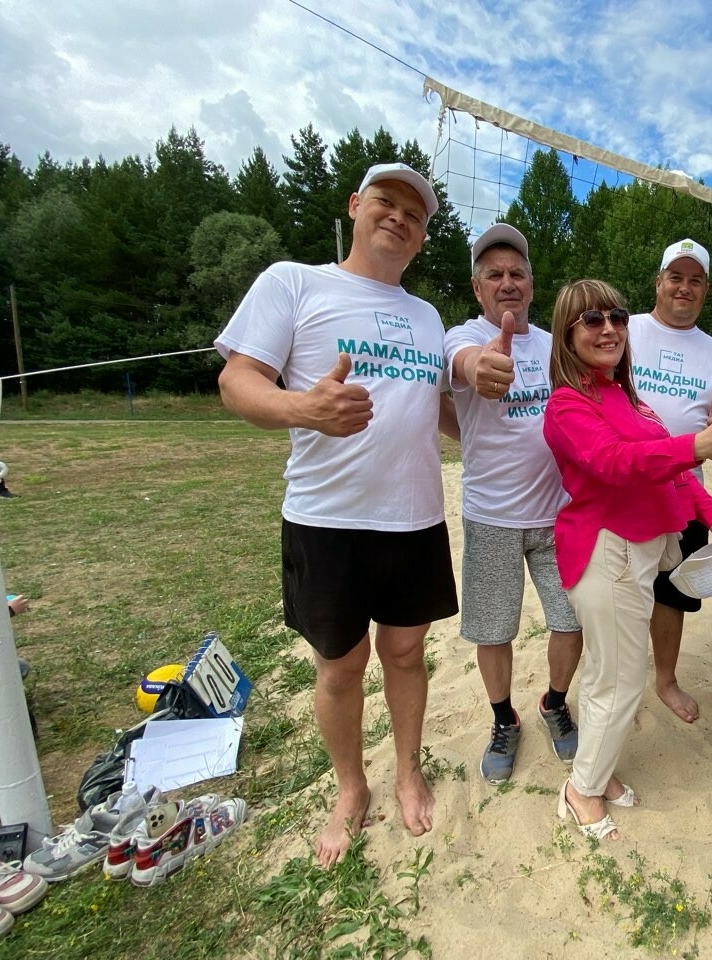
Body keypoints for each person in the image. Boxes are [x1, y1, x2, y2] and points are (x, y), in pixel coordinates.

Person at [216, 162, 459, 867]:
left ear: (421, 239)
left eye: (414, 215)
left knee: (407, 653)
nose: (399, 217)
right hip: (328, 520)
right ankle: (351, 789)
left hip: (415, 517)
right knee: (340, 666)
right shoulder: (293, 281)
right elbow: (237, 380)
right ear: (356, 206)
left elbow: (435, 410)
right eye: (386, 202)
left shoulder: (427, 317)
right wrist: (304, 408)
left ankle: (407, 769)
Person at [543, 279, 712, 841]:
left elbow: (669, 467)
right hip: (608, 550)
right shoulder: (566, 403)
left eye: (616, 317)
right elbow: (613, 462)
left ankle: (597, 773)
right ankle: (581, 789)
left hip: (639, 549)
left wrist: (711, 509)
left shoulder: (626, 396)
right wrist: (701, 444)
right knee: (621, 677)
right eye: (591, 320)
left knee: (612, 671)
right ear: (568, 333)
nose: (608, 328)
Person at [443, 223, 583, 783]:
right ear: (478, 288)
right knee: (493, 630)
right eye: (494, 275)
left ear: (531, 283)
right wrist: (480, 373)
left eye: (516, 273)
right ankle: (504, 718)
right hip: (492, 515)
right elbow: (463, 369)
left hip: (558, 514)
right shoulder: (459, 336)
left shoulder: (555, 346)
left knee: (572, 621)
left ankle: (554, 701)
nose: (507, 283)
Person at [628, 239, 712, 723]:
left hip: (682, 493)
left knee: (671, 594)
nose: (684, 287)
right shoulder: (625, 330)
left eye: (695, 280)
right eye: (676, 276)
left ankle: (666, 680)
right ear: (658, 281)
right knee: (616, 590)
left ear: (706, 289)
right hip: (622, 487)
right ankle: (615, 680)